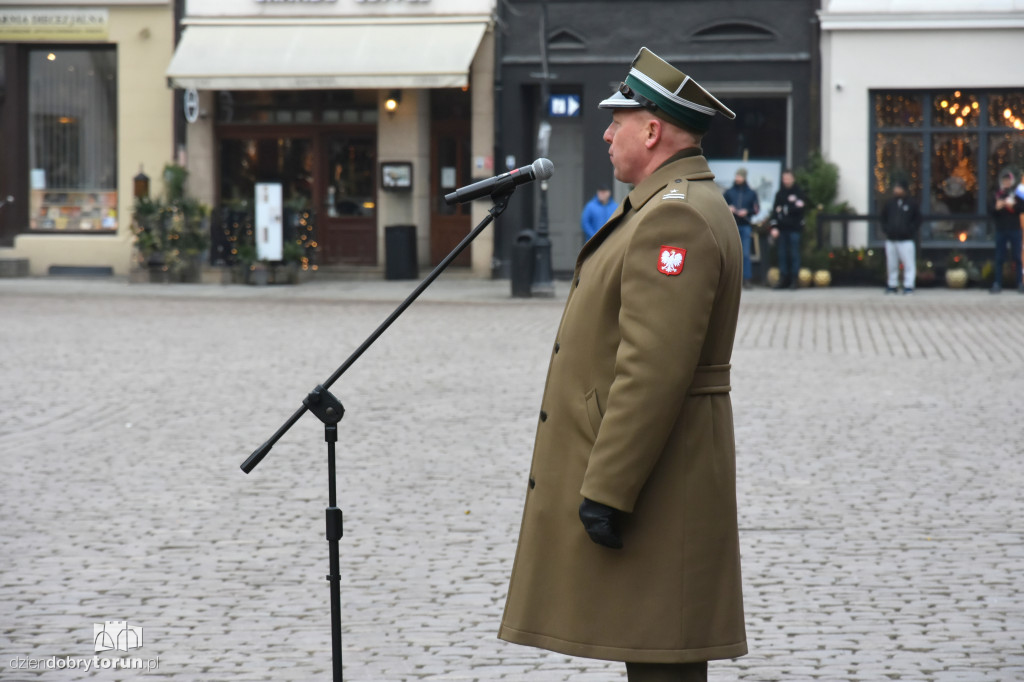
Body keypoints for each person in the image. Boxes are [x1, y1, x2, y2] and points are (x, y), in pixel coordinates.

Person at [499, 46, 747, 682]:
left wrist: (606, 488)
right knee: (659, 651)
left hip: (661, 474)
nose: (607, 133)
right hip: (668, 467)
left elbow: (652, 369)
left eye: (618, 120)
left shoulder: (675, 220)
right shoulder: (669, 204)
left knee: (665, 656)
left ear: (653, 128)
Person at [878, 180, 922, 294]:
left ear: (904, 190)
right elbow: (883, 218)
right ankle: (892, 284)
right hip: (891, 239)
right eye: (895, 188)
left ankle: (908, 285)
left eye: (898, 188)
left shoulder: (912, 204)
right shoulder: (890, 204)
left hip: (906, 239)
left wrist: (910, 230)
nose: (896, 190)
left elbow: (918, 219)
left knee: (908, 263)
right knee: (891, 263)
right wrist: (886, 229)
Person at [769, 169, 806, 289]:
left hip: (794, 229)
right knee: (782, 254)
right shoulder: (780, 194)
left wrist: (785, 209)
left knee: (794, 254)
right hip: (782, 229)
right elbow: (775, 211)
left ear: (793, 178)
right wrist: (774, 227)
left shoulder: (799, 192)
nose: (786, 180)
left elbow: (800, 209)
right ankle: (783, 279)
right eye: (784, 178)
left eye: (788, 178)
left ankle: (794, 280)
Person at [724, 168, 759, 289]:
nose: (737, 178)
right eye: (736, 175)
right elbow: (721, 205)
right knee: (731, 254)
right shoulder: (729, 192)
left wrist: (747, 211)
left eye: (739, 176)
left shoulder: (751, 193)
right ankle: (731, 280)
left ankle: (747, 279)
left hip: (745, 225)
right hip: (732, 225)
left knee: (745, 254)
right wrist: (729, 208)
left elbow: (756, 209)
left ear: (744, 177)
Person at [990, 168, 1024, 293]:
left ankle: (1020, 283)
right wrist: (997, 207)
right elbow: (991, 211)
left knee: (1017, 257)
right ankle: (997, 283)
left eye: (1008, 180)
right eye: (1004, 180)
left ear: (1011, 181)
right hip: (1001, 229)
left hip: (1015, 229)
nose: (1006, 182)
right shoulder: (997, 194)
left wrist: (1012, 206)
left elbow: (1022, 208)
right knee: (999, 257)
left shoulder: (1017, 194)